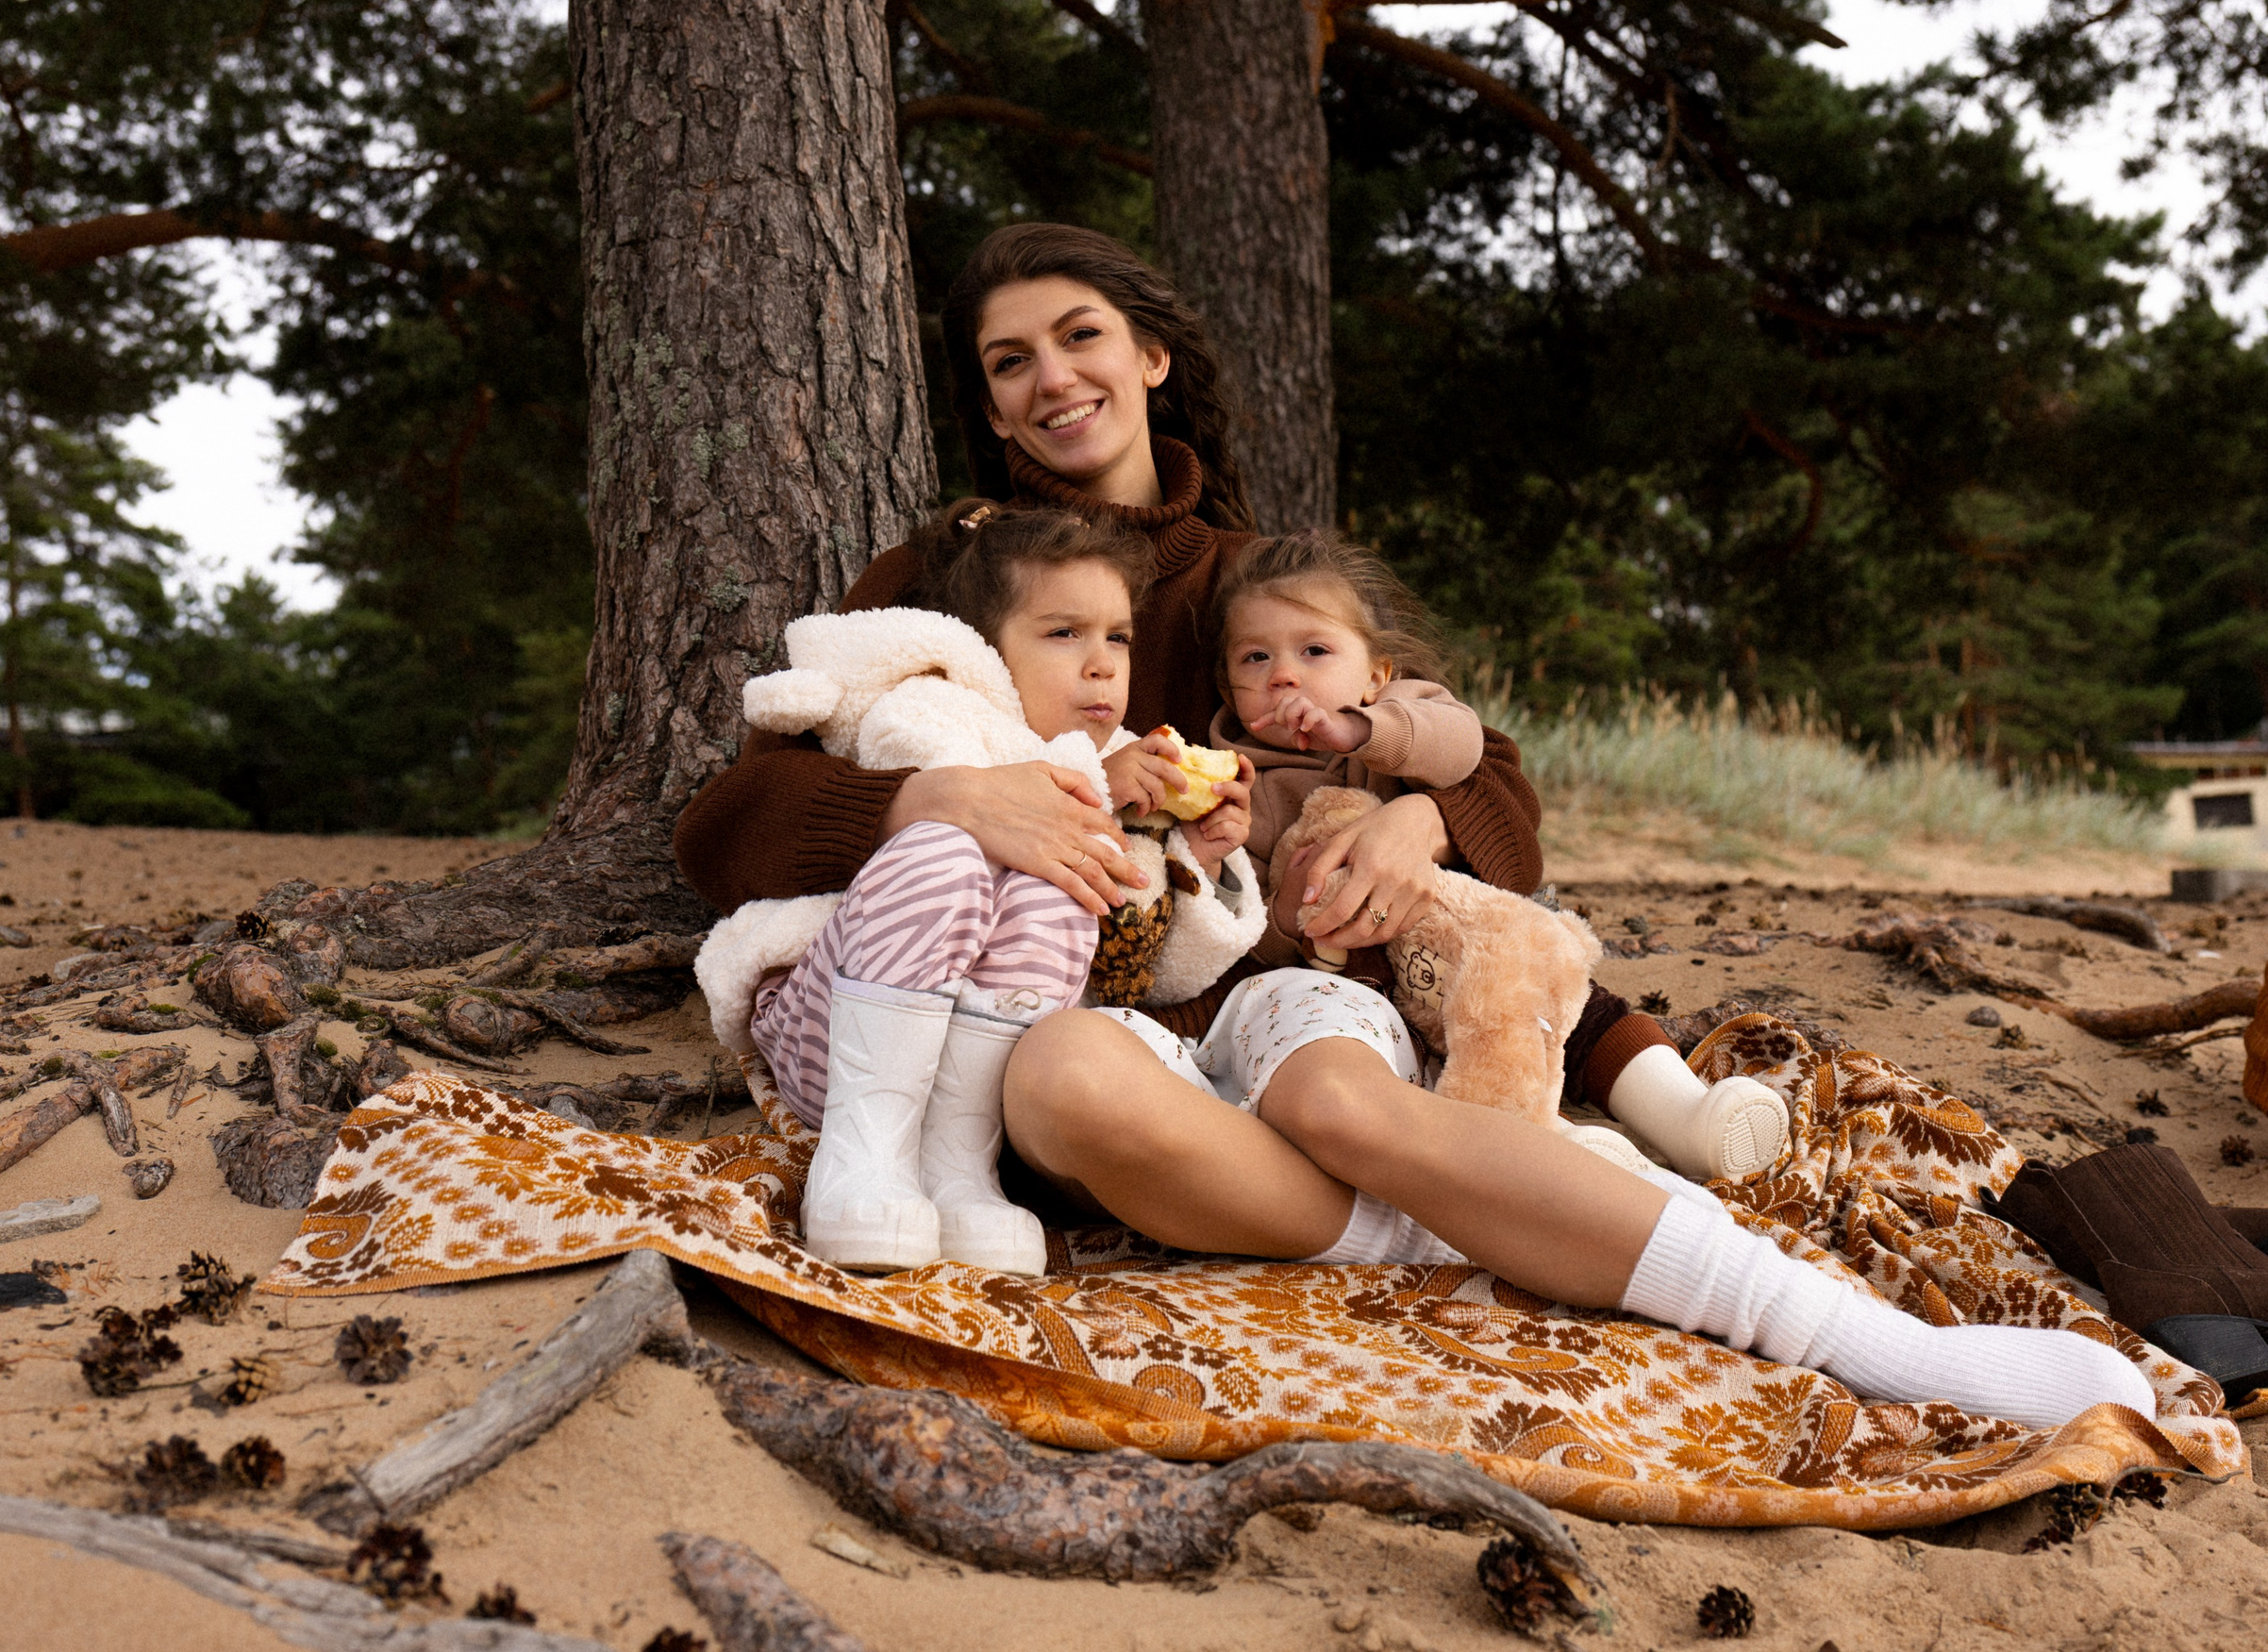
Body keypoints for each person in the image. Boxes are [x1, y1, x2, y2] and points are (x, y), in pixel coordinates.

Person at [675, 223, 2153, 1428]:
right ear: (990, 406)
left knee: (1335, 1102)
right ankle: (1474, 1213)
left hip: (1278, 993)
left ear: (1152, 359)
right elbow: (730, 823)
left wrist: (1423, 827)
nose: (1052, 378)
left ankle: (1867, 1339)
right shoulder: (943, 577)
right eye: (1011, 362)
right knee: (1062, 1083)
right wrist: (944, 795)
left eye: (1080, 336)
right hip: (1057, 1005)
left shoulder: (1260, 574)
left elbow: (1488, 767)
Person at [715, 504, 1258, 1277]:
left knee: (1064, 891)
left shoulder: (1131, 764)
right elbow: (944, 797)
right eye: (1064, 633)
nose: (1102, 663)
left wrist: (1190, 860)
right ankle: (862, 1159)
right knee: (946, 851)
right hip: (831, 1027)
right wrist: (1094, 789)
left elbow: (1145, 972)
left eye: (1118, 636)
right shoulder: (934, 704)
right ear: (989, 652)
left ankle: (955, 1171)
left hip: (972, 1079)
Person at [1206, 529, 1791, 1181]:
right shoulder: (1240, 781)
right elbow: (1241, 915)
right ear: (1229, 689)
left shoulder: (1403, 713)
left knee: (1572, 1006)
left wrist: (1362, 733)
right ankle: (1558, 1141)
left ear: (1376, 672)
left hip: (1477, 936)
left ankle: (1687, 1115)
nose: (1283, 674)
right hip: (1369, 987)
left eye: (1314, 650)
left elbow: (1462, 748)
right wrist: (1288, 917)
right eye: (1255, 659)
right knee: (1449, 1063)